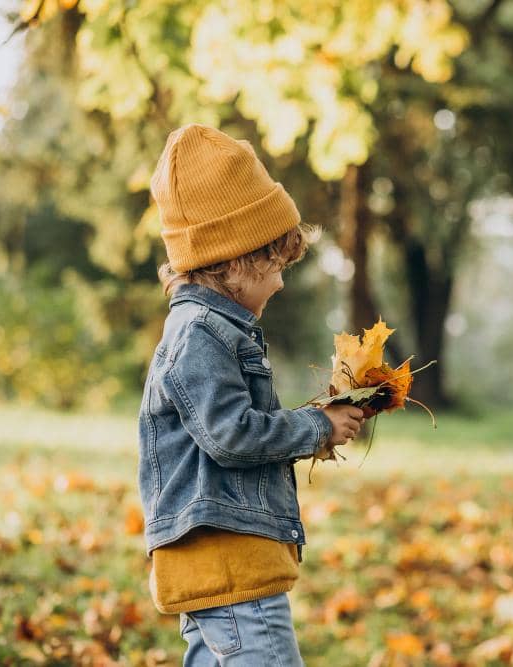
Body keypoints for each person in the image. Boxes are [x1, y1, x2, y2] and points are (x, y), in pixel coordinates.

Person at [138, 123, 365, 665]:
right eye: (275, 264)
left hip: (225, 563)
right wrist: (316, 428)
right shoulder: (200, 333)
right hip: (230, 564)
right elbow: (231, 435)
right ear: (234, 260)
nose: (281, 282)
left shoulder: (212, 329)